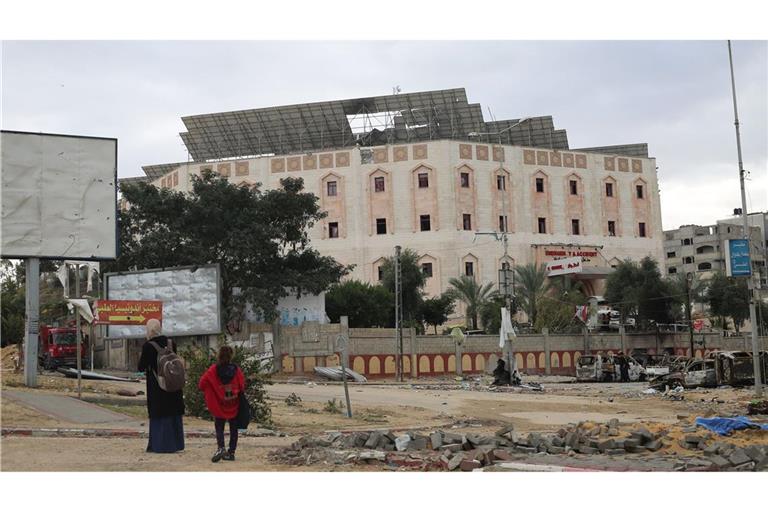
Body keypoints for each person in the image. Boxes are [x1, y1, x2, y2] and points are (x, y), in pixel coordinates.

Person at [138, 319, 185, 453]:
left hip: (158, 387)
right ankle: (176, 444)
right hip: (173, 386)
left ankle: (160, 445)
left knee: (160, 416)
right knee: (173, 414)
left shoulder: (148, 346)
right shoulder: (171, 343)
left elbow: (141, 367)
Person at [198, 345, 245, 463]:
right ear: (231, 356)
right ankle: (231, 452)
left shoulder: (213, 370)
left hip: (218, 405)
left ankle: (221, 448)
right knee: (234, 429)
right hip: (234, 404)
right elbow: (242, 386)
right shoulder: (236, 369)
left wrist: (213, 390)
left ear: (218, 355)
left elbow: (202, 384)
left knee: (219, 427)